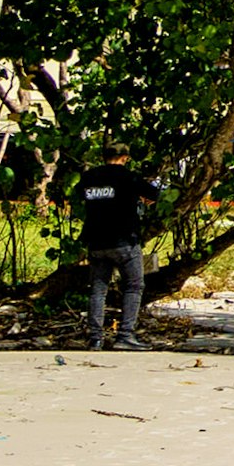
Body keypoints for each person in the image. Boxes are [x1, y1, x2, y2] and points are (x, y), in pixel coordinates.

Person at [77, 150, 152, 350]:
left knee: (98, 290)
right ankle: (125, 336)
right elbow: (154, 193)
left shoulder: (90, 177)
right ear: (125, 157)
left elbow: (77, 195)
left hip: (96, 241)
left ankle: (95, 338)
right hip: (124, 240)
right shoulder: (129, 177)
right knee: (134, 286)